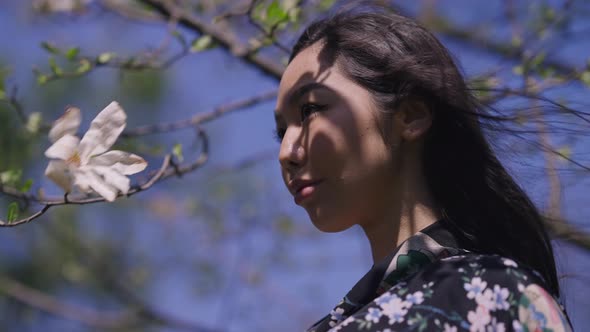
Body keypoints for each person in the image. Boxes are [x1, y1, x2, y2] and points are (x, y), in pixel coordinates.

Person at [272, 6, 573, 332]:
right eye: (281, 132)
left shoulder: (496, 295)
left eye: (311, 109)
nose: (286, 152)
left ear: (411, 116)